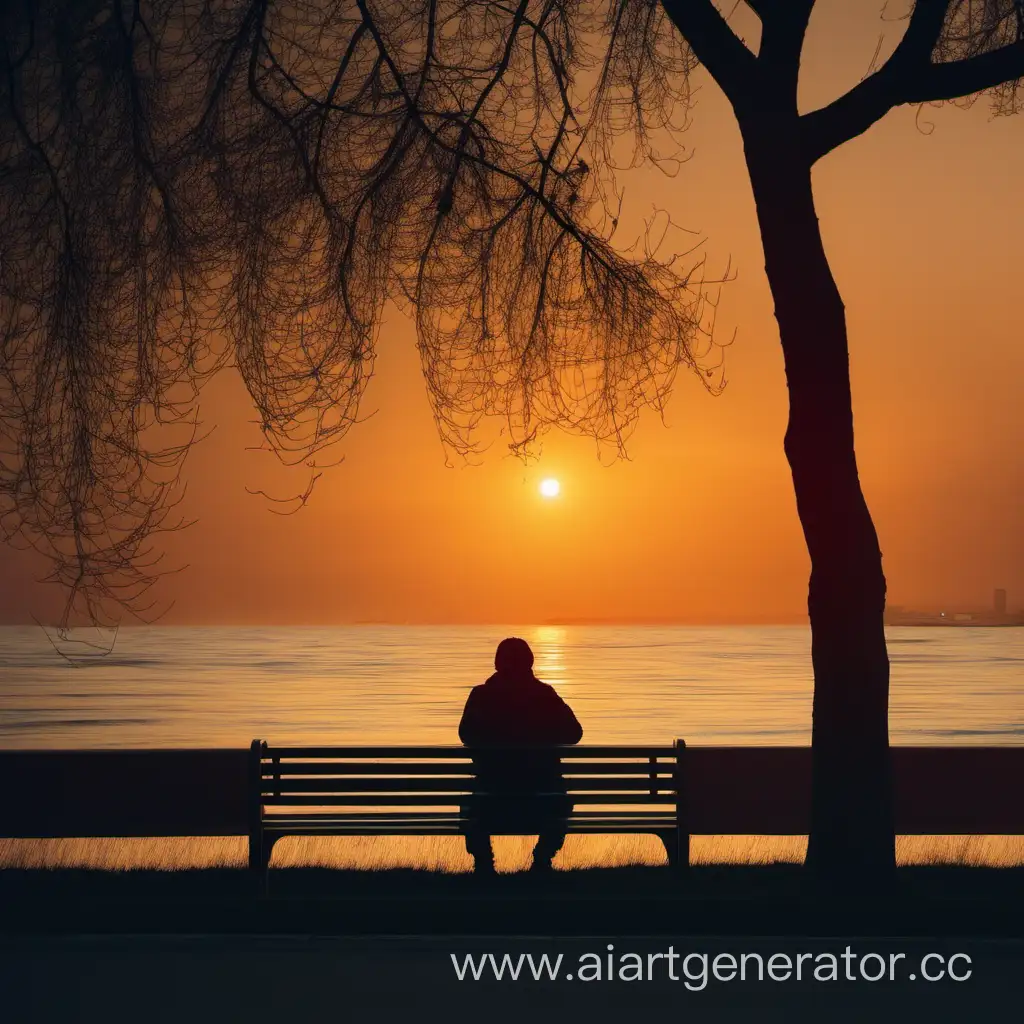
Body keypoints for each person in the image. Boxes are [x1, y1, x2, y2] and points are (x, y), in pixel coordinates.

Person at [458, 636, 583, 874]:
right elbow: (575, 733)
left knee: (470, 799)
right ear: (530, 662)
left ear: (497, 663)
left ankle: (483, 863)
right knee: (560, 798)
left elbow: (466, 735)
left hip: (491, 800)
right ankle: (542, 859)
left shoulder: (481, 695)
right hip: (542, 800)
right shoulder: (545, 695)